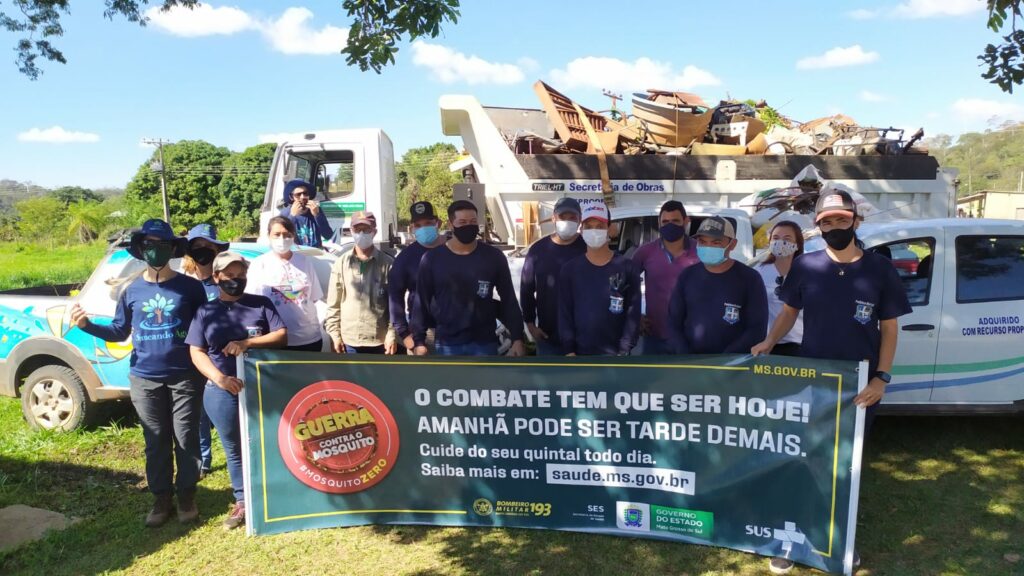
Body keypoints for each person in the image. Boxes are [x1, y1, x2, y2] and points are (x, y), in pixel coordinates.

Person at [752, 190, 911, 574]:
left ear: (855, 221)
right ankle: (792, 538)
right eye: (827, 221)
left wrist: (882, 378)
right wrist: (769, 342)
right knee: (804, 460)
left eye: (842, 220)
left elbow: (889, 329)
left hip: (860, 386)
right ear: (818, 226)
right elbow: (790, 312)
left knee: (846, 467)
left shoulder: (879, 269)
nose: (835, 227)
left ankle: (839, 541)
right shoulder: (806, 266)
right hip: (814, 380)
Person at [70, 219, 208, 527]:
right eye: (149, 245)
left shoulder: (191, 288)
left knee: (185, 437)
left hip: (185, 376)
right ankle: (161, 499)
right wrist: (87, 326)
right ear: (141, 249)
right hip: (145, 378)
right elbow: (120, 332)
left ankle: (186, 495)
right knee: (155, 439)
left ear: (173, 249)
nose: (155, 251)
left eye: (162, 245)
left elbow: (205, 329)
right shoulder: (132, 291)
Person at [186, 251, 286, 529]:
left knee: (271, 441)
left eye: (241, 275)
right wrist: (219, 379)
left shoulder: (261, 304)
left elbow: (281, 335)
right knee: (234, 448)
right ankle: (243, 500)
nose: (236, 280)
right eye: (230, 276)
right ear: (217, 277)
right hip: (222, 391)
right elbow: (196, 351)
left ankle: (275, 493)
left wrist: (247, 343)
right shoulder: (206, 312)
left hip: (263, 388)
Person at [413, 200, 525, 356]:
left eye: (473, 222)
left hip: (485, 343)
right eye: (462, 222)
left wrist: (517, 338)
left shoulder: (493, 257)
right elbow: (421, 302)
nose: (468, 226)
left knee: (486, 381)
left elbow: (509, 300)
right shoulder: (432, 259)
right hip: (448, 344)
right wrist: (418, 341)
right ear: (451, 225)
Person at [668, 216, 768, 354]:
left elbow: (757, 329)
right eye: (702, 242)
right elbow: (673, 323)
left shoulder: (750, 279)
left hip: (732, 366)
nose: (708, 247)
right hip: (691, 365)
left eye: (716, 242)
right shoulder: (687, 276)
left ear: (732, 244)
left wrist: (725, 360)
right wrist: (686, 356)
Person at [558, 202, 641, 356]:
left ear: (609, 229)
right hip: (579, 356)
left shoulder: (627, 268)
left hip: (617, 356)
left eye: (600, 226)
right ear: (581, 230)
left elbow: (633, 314)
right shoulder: (570, 270)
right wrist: (569, 349)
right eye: (588, 226)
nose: (593, 231)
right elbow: (565, 313)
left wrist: (624, 350)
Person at [181, 222, 229, 477]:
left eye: (207, 247)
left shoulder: (224, 281)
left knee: (225, 410)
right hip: (194, 355)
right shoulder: (183, 284)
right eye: (197, 247)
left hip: (223, 356)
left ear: (216, 249)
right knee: (197, 411)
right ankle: (203, 460)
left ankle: (236, 453)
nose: (202, 251)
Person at [246, 216, 325, 351]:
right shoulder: (259, 264)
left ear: (293, 236)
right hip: (274, 340)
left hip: (308, 339)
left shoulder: (304, 262)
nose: (282, 239)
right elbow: (251, 304)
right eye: (277, 234)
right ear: (269, 236)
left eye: (287, 235)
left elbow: (314, 297)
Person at [631, 200, 700, 354]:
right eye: (665, 221)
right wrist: (636, 316)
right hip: (655, 336)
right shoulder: (645, 252)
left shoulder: (700, 251)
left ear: (686, 221)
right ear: (659, 223)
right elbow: (626, 285)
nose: (670, 225)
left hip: (691, 336)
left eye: (675, 221)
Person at [520, 197, 586, 355]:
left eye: (572, 218)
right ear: (553, 218)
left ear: (580, 220)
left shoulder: (589, 248)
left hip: (584, 338)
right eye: (563, 217)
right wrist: (530, 324)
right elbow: (526, 289)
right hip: (548, 337)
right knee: (549, 380)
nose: (567, 221)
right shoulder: (538, 250)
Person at [325, 211, 397, 354]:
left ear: (374, 231)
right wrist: (335, 335)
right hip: (349, 340)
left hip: (379, 340)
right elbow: (334, 303)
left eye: (366, 229)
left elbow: (395, 305)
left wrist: (392, 334)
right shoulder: (341, 263)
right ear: (351, 231)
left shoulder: (388, 263)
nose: (362, 233)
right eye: (357, 230)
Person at [388, 201, 446, 354]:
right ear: (412, 228)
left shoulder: (453, 249)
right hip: (422, 335)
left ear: (438, 223)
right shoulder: (405, 258)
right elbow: (395, 295)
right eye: (418, 225)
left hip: (455, 333)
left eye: (428, 223)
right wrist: (405, 335)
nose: (424, 228)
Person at [754, 221, 805, 357]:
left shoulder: (807, 271)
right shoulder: (759, 272)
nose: (780, 242)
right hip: (767, 346)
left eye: (787, 239)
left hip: (800, 345)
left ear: (797, 244)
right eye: (776, 238)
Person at [279, 179, 333, 249]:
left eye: (305, 193)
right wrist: (292, 216)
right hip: (296, 253)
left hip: (315, 253)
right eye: (298, 194)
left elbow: (328, 235)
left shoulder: (316, 210)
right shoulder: (285, 213)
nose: (303, 197)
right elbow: (281, 239)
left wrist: (317, 215)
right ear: (291, 197)